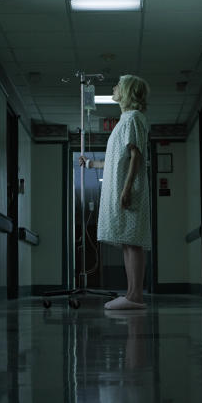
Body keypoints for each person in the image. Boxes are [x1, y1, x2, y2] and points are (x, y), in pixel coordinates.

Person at [78, 74, 151, 310]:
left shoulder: (134, 119)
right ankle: (131, 294)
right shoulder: (125, 120)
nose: (114, 87)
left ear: (127, 91)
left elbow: (135, 156)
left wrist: (127, 189)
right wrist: (90, 164)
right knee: (128, 241)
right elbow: (115, 160)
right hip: (122, 186)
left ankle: (136, 296)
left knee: (134, 241)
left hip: (129, 188)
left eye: (118, 85)